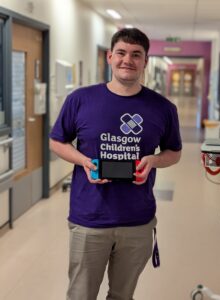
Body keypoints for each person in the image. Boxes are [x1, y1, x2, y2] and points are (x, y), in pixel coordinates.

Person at [49, 27, 182, 300]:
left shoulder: (163, 108)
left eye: (136, 54)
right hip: (90, 218)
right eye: (121, 52)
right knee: (80, 295)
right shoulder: (80, 100)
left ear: (145, 61)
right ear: (110, 56)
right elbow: (57, 141)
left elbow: (174, 152)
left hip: (137, 219)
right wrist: (84, 161)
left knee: (123, 296)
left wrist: (154, 161)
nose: (127, 60)